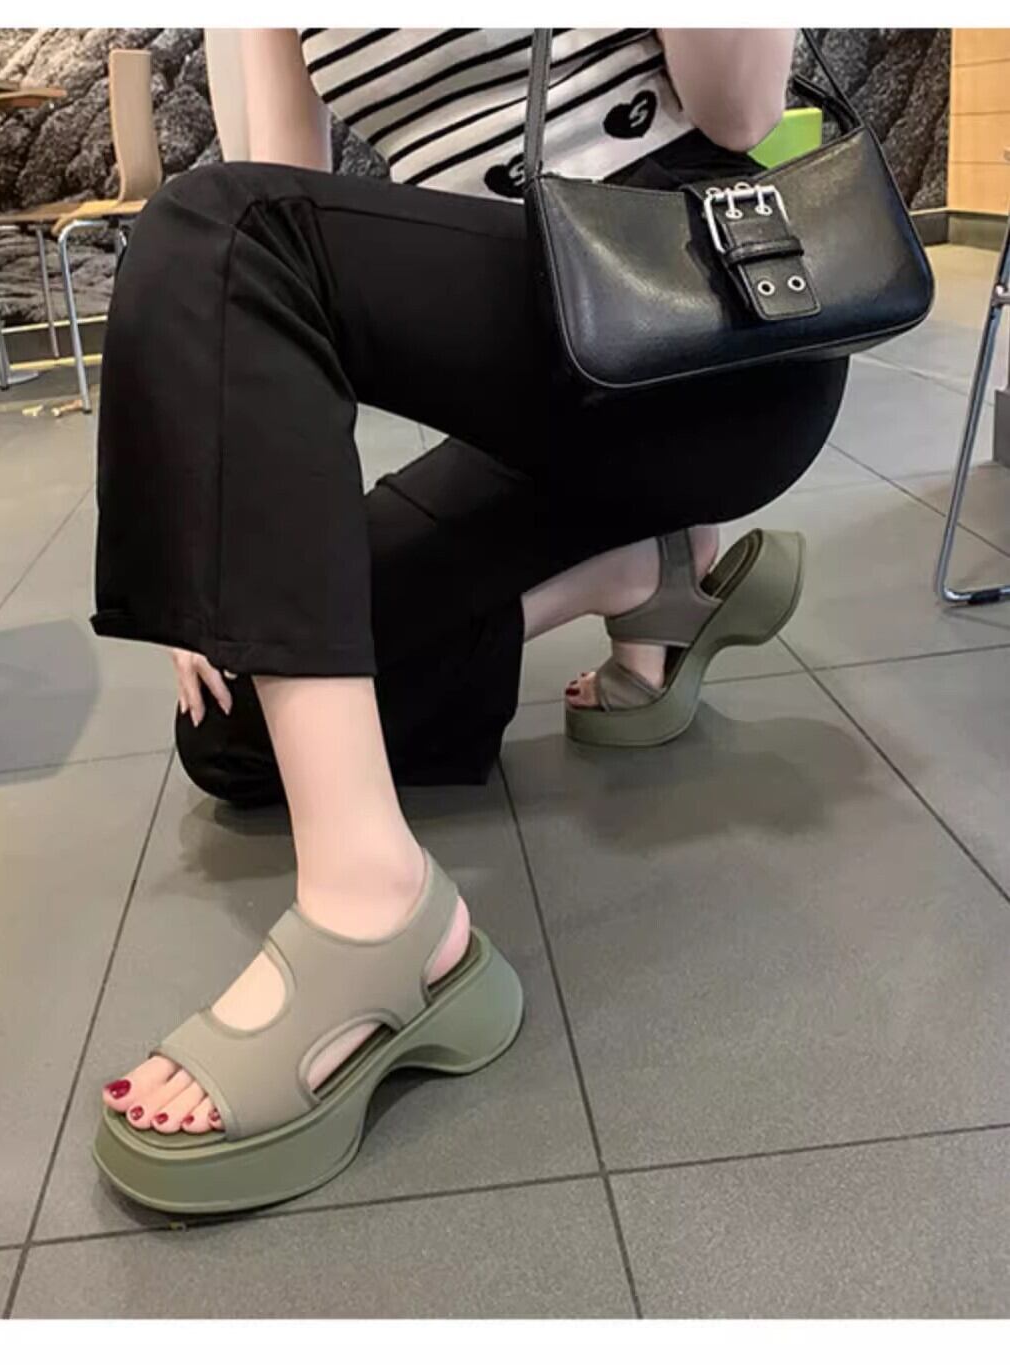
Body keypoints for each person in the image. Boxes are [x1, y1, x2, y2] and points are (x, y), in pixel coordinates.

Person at [90, 29, 846, 1186]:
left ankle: (372, 907)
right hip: (527, 387)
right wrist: (239, 556)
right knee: (233, 731)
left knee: (212, 229)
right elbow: (285, 224)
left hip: (702, 319)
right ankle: (642, 575)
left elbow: (740, 113)